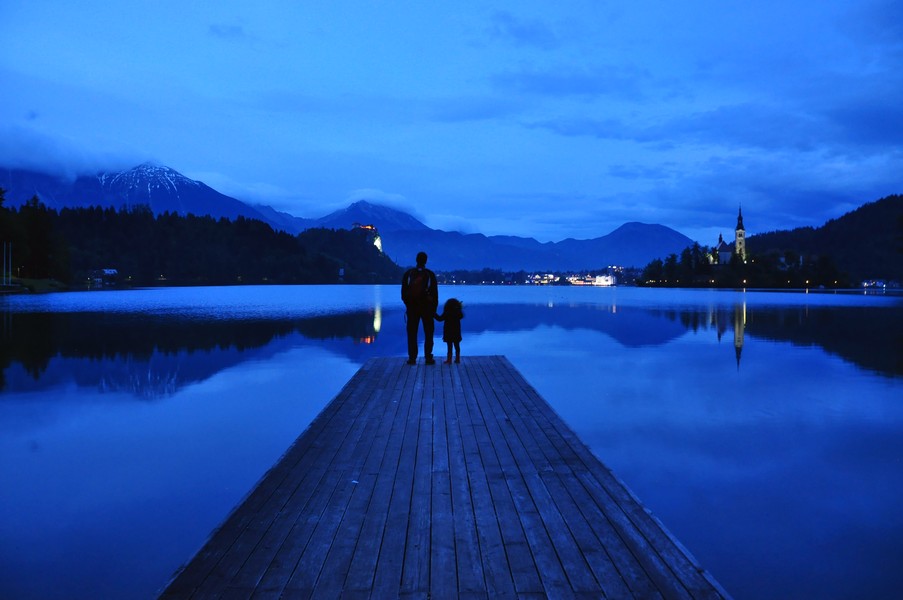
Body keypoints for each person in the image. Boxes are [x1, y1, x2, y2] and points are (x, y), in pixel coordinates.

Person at [400, 251, 438, 365]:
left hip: (412, 309)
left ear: (416, 260)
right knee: (429, 333)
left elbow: (403, 294)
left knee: (412, 334)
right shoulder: (430, 275)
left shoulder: (408, 274)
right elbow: (435, 295)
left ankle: (412, 358)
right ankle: (428, 357)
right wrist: (433, 310)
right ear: (426, 261)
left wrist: (409, 305)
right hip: (427, 309)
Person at [435, 298, 464, 364]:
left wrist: (433, 314)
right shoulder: (458, 313)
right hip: (456, 332)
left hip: (448, 332)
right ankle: (457, 359)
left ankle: (449, 359)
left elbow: (440, 319)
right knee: (457, 345)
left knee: (449, 346)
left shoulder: (447, 312)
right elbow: (461, 316)